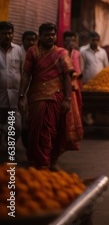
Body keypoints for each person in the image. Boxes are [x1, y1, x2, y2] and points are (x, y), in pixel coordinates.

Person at [18, 23, 74, 169]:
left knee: (51, 130)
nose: (50, 37)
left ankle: (50, 160)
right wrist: (21, 95)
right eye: (47, 35)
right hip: (36, 97)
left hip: (56, 96)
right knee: (36, 130)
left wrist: (68, 99)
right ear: (40, 36)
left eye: (53, 34)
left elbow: (68, 77)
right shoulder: (32, 51)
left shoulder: (62, 53)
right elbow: (26, 74)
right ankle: (37, 160)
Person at [0, 21, 24, 146]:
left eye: (10, 33)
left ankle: (10, 149)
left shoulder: (18, 50)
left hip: (14, 97)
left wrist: (23, 95)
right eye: (4, 33)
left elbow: (23, 72)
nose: (8, 36)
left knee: (16, 127)